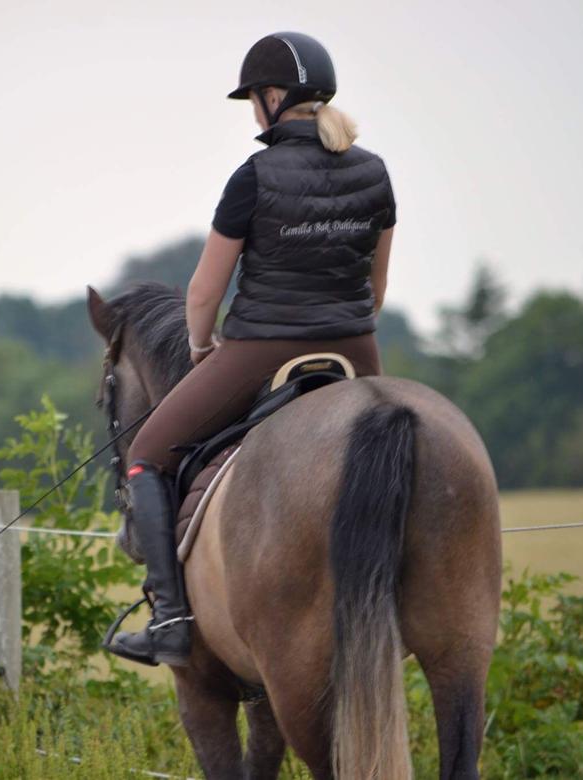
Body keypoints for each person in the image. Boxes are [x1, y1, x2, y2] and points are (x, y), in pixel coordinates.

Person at [106, 32, 397, 667]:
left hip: (263, 345)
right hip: (358, 350)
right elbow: (376, 289)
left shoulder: (255, 175)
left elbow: (205, 290)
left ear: (271, 97)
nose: (252, 112)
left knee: (149, 453)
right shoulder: (374, 171)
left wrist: (202, 345)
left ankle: (172, 620)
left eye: (253, 101)